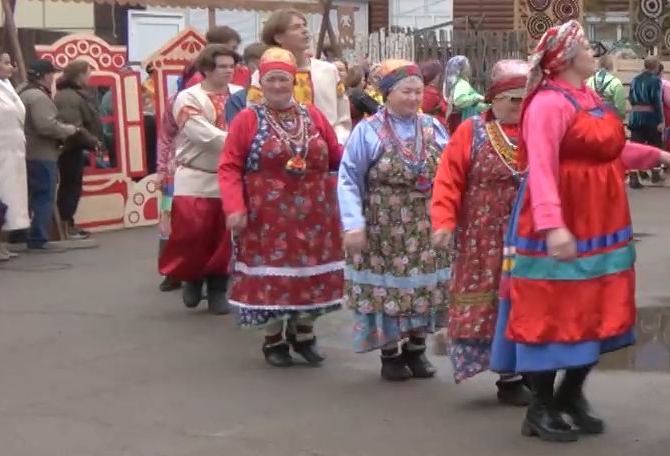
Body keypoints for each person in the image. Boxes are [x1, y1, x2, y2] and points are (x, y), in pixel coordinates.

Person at [493, 23, 670, 442]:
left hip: (601, 221)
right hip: (563, 218)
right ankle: (539, 407)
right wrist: (552, 225)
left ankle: (570, 393)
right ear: (565, 58)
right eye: (583, 47)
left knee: (598, 305)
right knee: (551, 309)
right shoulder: (546, 104)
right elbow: (540, 167)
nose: (591, 52)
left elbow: (610, 149)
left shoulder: (589, 96)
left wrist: (656, 155)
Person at [220, 48, 346, 367]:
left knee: (309, 274)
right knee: (273, 279)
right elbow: (230, 167)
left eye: (283, 79)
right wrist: (234, 206)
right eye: (271, 79)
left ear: (294, 81)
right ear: (261, 82)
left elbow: (336, 155)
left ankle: (304, 334)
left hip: (316, 213)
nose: (278, 86)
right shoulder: (248, 119)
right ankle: (273, 339)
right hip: (267, 215)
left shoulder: (312, 115)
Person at [338, 59, 454, 381]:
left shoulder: (434, 127)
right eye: (406, 91)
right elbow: (348, 178)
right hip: (383, 223)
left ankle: (416, 350)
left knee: (426, 288)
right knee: (387, 290)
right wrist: (353, 224)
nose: (414, 98)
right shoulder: (368, 131)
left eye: (419, 91)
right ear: (387, 93)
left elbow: (450, 172)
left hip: (426, 222)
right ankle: (390, 354)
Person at [429, 59, 532, 404]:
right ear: (494, 99)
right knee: (491, 300)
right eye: (512, 99)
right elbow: (449, 179)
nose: (518, 106)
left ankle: (530, 368)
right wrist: (443, 222)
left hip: (529, 232)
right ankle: (509, 376)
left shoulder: (539, 129)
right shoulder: (471, 131)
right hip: (483, 235)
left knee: (529, 297)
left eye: (524, 99)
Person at [159, 45, 238, 312]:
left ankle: (218, 289)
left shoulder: (240, 96)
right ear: (206, 69)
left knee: (224, 238)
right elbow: (201, 134)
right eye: (222, 66)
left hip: (230, 179)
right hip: (196, 176)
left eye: (231, 66)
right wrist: (244, 142)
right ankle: (192, 277)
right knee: (193, 233)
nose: (229, 71)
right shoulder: (188, 97)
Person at [251, 10, 351, 143]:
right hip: (278, 151)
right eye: (296, 27)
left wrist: (337, 141)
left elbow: (343, 119)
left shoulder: (329, 71)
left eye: (304, 25)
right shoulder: (263, 76)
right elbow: (254, 118)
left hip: (328, 149)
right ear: (278, 37)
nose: (304, 30)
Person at [20, 59, 82, 251]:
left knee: (27, 196)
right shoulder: (38, 97)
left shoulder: (21, 92)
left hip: (27, 152)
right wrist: (69, 130)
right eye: (51, 75)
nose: (53, 79)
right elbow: (46, 126)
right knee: (44, 196)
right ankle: (38, 237)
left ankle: (18, 234)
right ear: (44, 76)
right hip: (42, 153)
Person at [52, 59, 104, 237]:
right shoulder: (68, 96)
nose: (90, 76)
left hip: (74, 147)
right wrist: (93, 142)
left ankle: (68, 224)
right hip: (69, 148)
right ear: (80, 75)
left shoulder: (73, 94)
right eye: (88, 72)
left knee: (72, 187)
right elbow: (73, 126)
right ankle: (64, 227)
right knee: (70, 187)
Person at [0, 48, 26, 263]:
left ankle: (0, 241)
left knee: (10, 200)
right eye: (5, 63)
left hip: (13, 152)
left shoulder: (8, 87)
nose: (11, 67)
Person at [626, 56, 667, 186]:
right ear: (656, 66)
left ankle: (633, 175)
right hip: (650, 117)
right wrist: (661, 120)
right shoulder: (656, 81)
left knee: (636, 144)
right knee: (655, 143)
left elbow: (631, 98)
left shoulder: (635, 80)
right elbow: (657, 101)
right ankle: (655, 173)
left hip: (636, 115)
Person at [441, 54, 483, 129]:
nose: (470, 68)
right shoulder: (462, 84)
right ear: (461, 69)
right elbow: (459, 101)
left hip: (456, 122)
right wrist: (477, 97)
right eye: (467, 65)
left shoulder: (454, 83)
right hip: (464, 121)